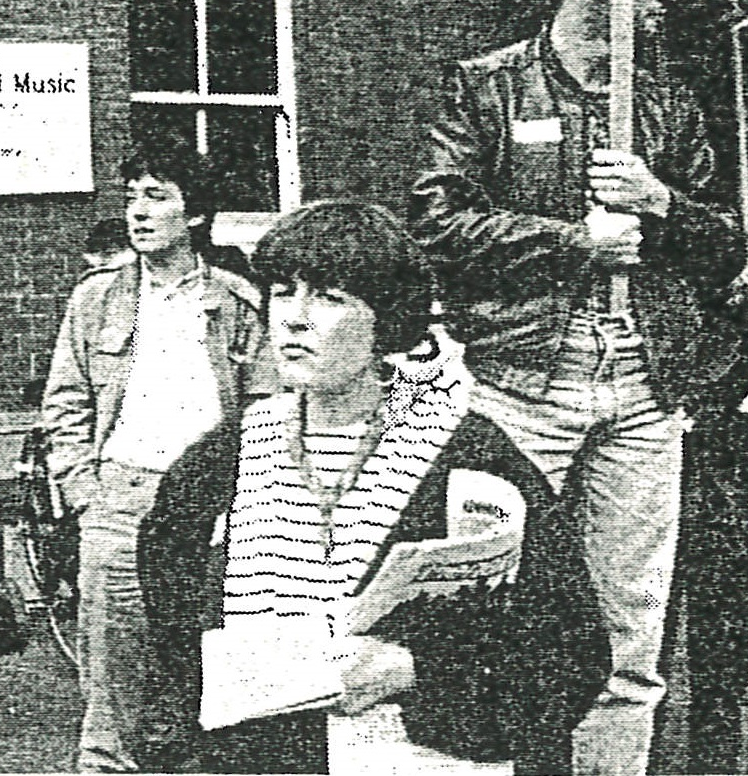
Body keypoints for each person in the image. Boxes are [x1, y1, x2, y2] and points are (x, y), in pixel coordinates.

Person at [410, 0, 744, 776]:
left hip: (643, 390)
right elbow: (435, 223)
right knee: (486, 601)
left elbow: (728, 248)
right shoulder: (487, 85)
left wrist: (660, 201)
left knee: (632, 628)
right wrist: (573, 242)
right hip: (519, 385)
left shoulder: (669, 104)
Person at [141, 200, 609, 775]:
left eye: (331, 298)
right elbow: (175, 639)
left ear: (385, 320)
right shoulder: (219, 460)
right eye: (284, 291)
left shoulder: (470, 456)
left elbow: (572, 651)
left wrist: (416, 671)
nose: (294, 316)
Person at [41, 144, 274, 772]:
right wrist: (84, 489)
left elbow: (267, 408)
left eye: (157, 196)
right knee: (112, 670)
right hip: (119, 500)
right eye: (132, 197)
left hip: (211, 506)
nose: (138, 213)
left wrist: (246, 501)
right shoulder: (97, 299)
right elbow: (65, 400)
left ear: (194, 215)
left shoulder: (235, 300)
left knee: (203, 662)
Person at [663, 273, 748, 775]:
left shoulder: (747, 324)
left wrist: (711, 425)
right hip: (655, 511)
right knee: (637, 669)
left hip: (728, 517)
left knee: (720, 685)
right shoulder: (648, 312)